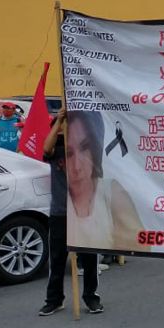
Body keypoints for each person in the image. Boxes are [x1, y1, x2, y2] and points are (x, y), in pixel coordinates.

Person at [39, 109, 103, 315]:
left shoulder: (83, 148)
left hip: (84, 211)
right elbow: (45, 148)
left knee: (89, 258)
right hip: (60, 212)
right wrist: (58, 121)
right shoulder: (55, 150)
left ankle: (91, 297)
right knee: (57, 259)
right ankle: (54, 299)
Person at [65, 111, 144, 253]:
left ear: (95, 147)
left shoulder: (113, 193)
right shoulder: (58, 199)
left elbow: (139, 244)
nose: (77, 166)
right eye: (69, 153)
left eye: (84, 147)